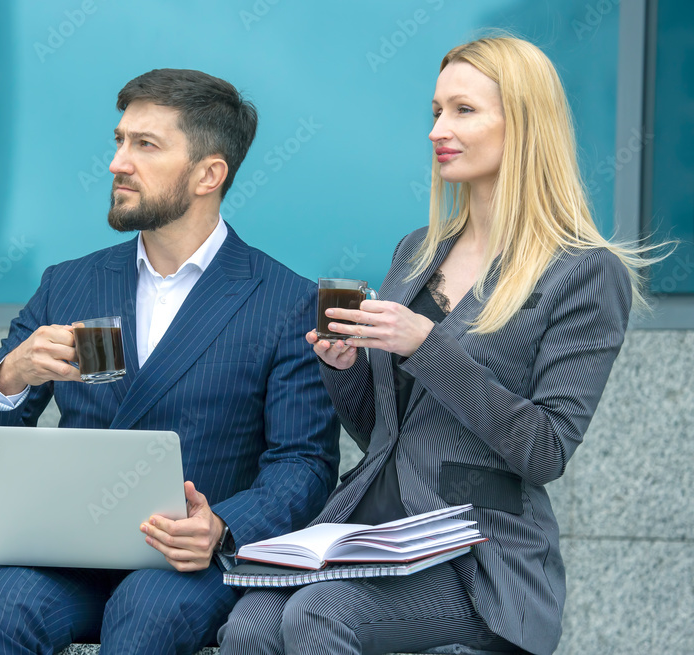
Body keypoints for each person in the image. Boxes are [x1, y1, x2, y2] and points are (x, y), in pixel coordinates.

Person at [219, 36, 658, 655]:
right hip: (379, 536)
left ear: (525, 125)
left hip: (480, 561)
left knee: (317, 614)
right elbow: (386, 437)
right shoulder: (418, 252)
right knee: (251, 623)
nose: (437, 130)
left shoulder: (581, 272)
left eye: (464, 110)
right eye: (436, 111)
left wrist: (426, 345)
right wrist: (344, 370)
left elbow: (545, 450)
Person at [0, 68, 340, 655]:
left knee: (147, 616)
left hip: (188, 563)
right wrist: (12, 375)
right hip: (62, 558)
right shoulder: (68, 285)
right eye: (119, 141)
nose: (117, 163)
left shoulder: (286, 301)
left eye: (145, 145)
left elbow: (303, 463)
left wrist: (223, 528)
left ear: (209, 174)